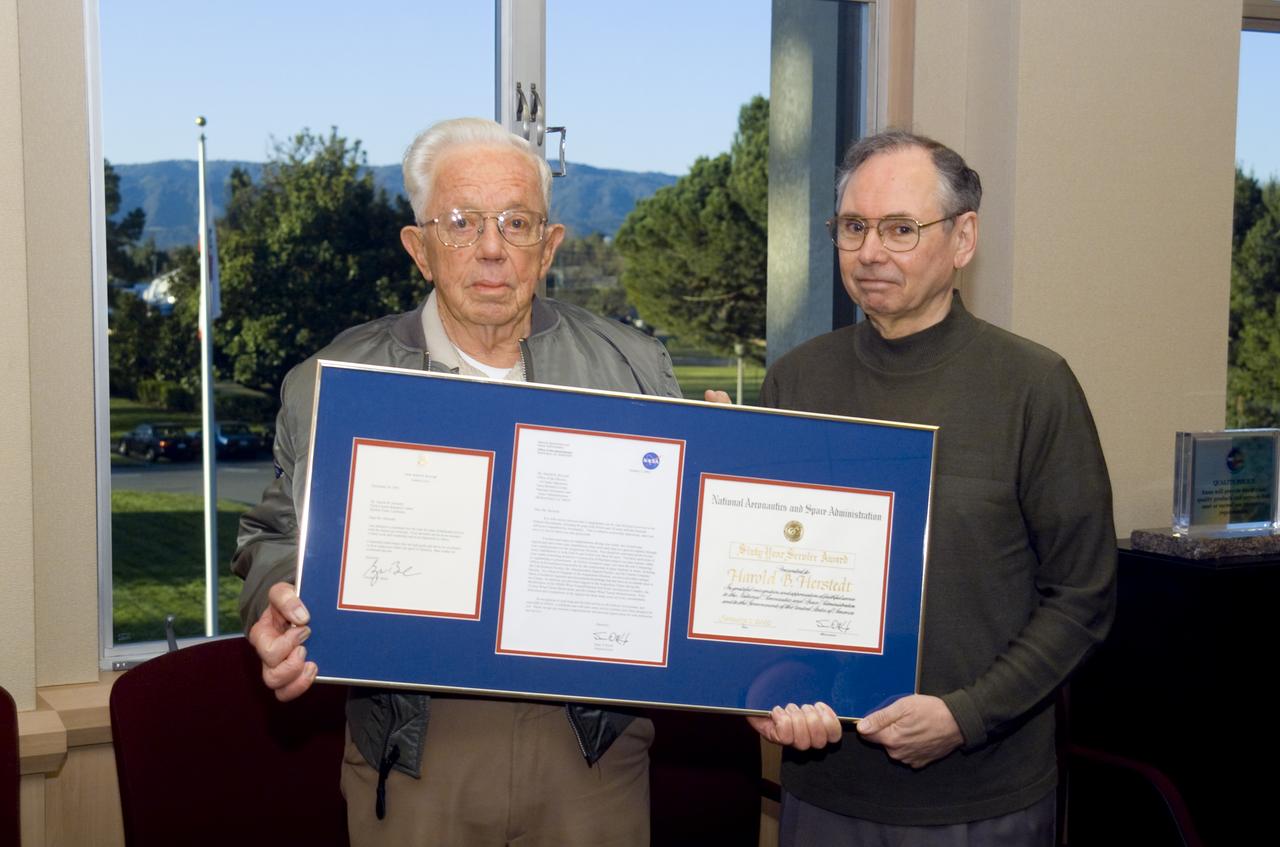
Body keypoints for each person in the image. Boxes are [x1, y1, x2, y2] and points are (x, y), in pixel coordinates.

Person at [231, 117, 681, 846]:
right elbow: (276, 534)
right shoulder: (335, 382)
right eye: (462, 222)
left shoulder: (634, 369)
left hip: (591, 751)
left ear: (551, 245)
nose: (493, 247)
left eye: (517, 222)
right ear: (420, 247)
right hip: (416, 753)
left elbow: (677, 543)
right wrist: (274, 602)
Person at [746, 130, 1117, 845]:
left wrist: (966, 715)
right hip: (826, 790)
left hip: (984, 798)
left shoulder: (1033, 387)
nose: (871, 252)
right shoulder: (795, 382)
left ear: (963, 238)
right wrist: (765, 686)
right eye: (853, 227)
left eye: (900, 229)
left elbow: (1083, 596)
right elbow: (765, 577)